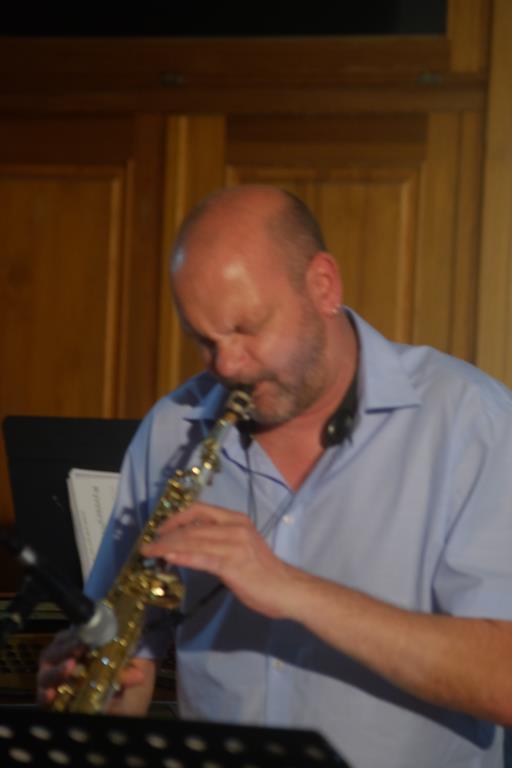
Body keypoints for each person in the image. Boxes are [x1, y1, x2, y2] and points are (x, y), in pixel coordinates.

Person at [38, 185, 512, 768]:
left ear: (323, 286)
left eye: (248, 328)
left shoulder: (471, 422)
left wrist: (289, 588)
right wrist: (102, 693)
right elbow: (131, 663)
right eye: (205, 341)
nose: (227, 365)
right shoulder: (170, 431)